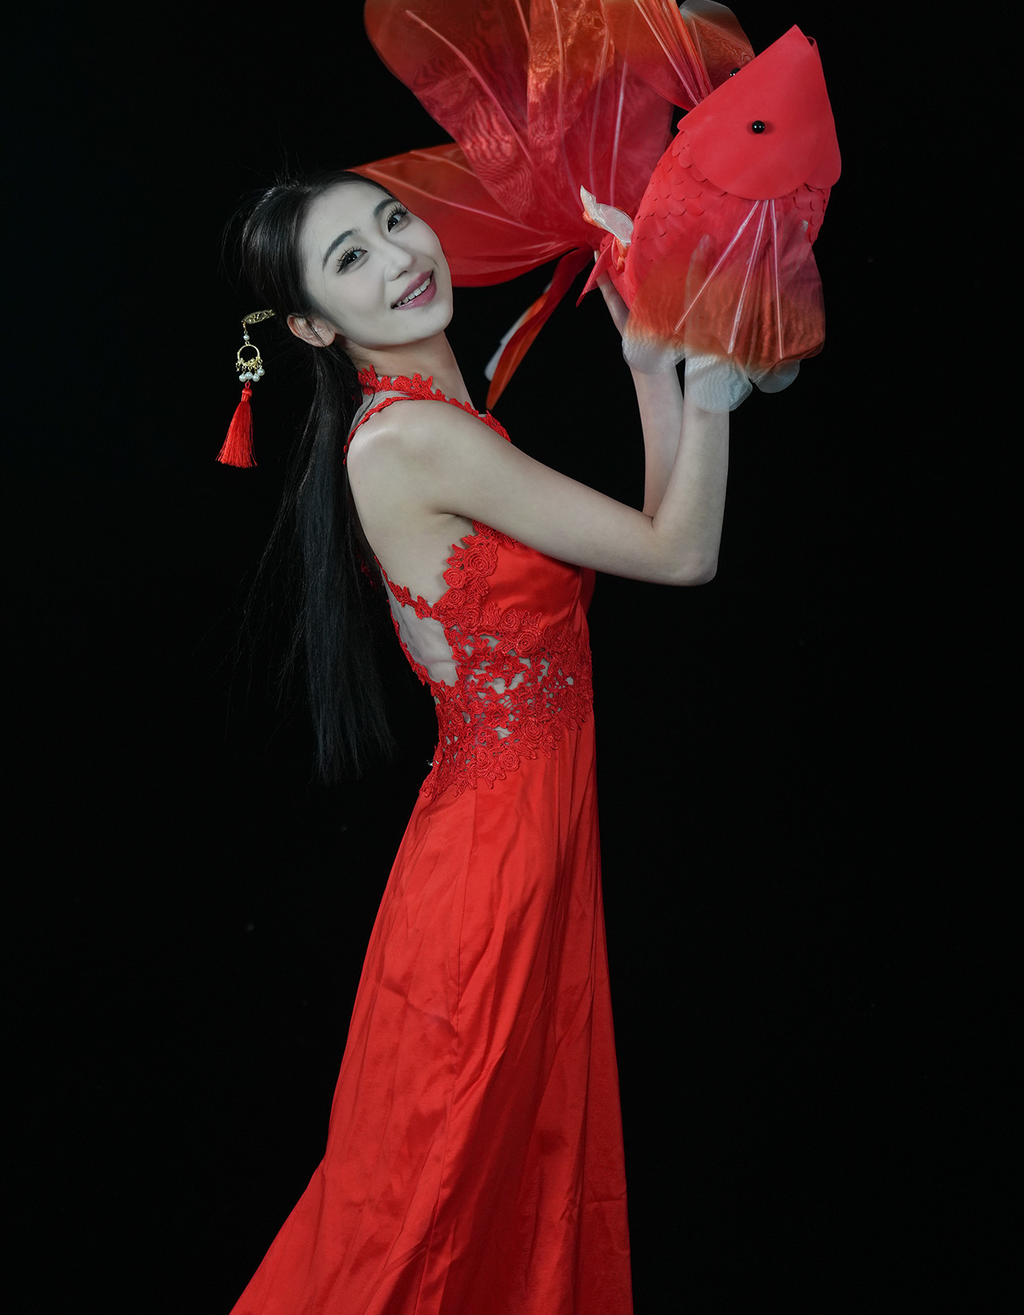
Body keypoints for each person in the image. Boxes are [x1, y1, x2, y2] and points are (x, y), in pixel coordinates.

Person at [227, 166, 729, 1315]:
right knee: (422, 1228)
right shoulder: (410, 442)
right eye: (349, 260)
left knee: (509, 1196)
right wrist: (711, 368)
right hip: (488, 879)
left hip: (522, 849)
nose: (399, 258)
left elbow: (653, 533)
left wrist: (650, 362)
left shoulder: (446, 423)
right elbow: (683, 553)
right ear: (312, 326)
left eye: (392, 221)